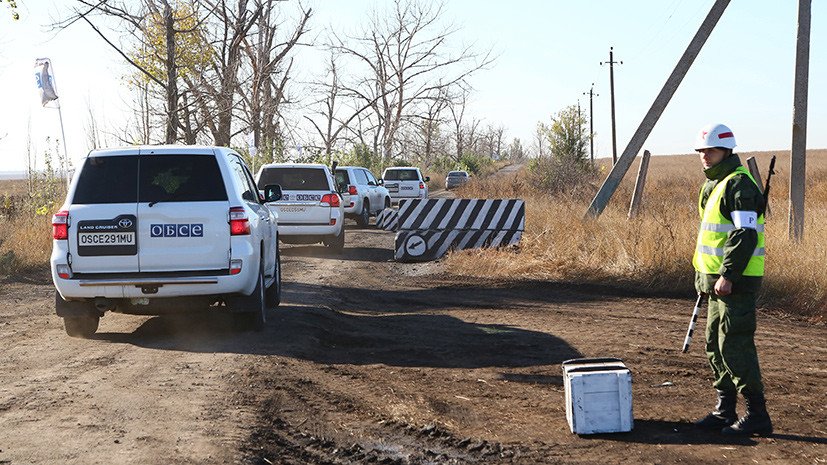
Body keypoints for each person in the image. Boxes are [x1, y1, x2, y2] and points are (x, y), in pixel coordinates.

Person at [691, 123, 772, 436]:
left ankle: (758, 416)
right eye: (702, 151)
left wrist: (727, 274)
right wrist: (705, 278)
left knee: (734, 344)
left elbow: (744, 233)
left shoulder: (738, 184)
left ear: (726, 151)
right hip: (715, 283)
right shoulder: (715, 185)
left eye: (710, 151)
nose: (705, 157)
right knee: (715, 344)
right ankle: (725, 411)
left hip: (734, 283)